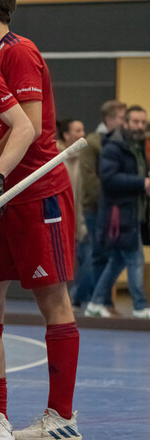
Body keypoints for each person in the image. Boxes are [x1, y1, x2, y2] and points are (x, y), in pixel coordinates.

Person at [0, 0, 83, 440]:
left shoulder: (19, 52)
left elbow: (29, 126)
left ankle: (62, 416)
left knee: (51, 298)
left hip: (35, 192)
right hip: (2, 198)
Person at [87, 106, 150, 319]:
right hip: (120, 214)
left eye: (143, 122)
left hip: (132, 212)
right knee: (135, 259)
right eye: (135, 122)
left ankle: (95, 303)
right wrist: (142, 182)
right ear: (126, 123)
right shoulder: (115, 147)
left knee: (117, 261)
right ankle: (140, 307)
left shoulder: (137, 147)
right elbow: (109, 178)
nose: (140, 126)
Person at [76, 100, 128, 311]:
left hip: (116, 207)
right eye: (121, 118)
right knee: (99, 255)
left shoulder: (122, 141)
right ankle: (101, 301)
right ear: (109, 119)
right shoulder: (93, 142)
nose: (124, 123)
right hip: (96, 207)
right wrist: (111, 199)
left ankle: (95, 299)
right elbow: (89, 179)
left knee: (115, 255)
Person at [58, 117, 89, 276]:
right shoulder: (55, 158)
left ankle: (79, 297)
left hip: (80, 218)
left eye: (83, 130)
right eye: (78, 131)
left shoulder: (85, 158)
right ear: (66, 135)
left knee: (85, 261)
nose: (82, 134)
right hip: (60, 219)